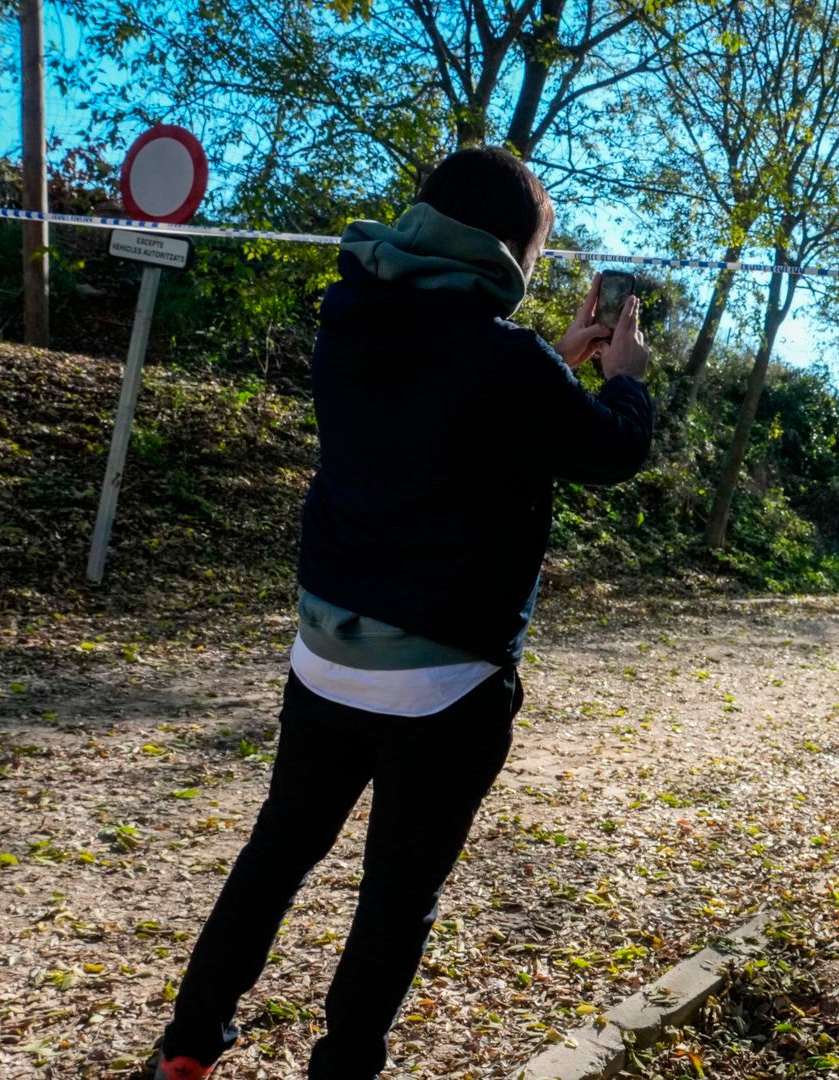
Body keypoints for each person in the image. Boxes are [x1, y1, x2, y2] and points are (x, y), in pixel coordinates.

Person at [144, 146, 653, 1080]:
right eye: (536, 252)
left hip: (326, 652)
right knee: (397, 893)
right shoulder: (506, 360)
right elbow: (609, 450)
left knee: (277, 852)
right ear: (507, 249)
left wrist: (555, 359)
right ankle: (343, 1068)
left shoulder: (348, 315)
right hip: (444, 681)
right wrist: (623, 374)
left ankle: (188, 1044)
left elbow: (447, 405)